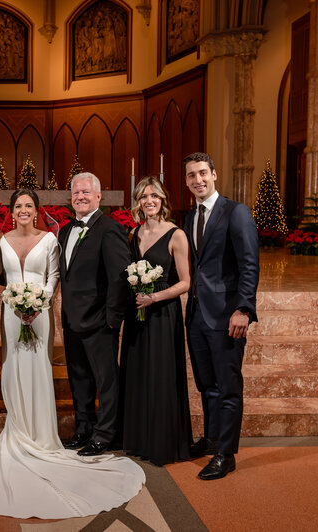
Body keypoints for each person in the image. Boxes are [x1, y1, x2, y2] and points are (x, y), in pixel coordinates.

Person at [0, 189, 145, 519]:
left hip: (40, 313)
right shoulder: (0, 241)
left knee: (39, 368)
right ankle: (18, 430)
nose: (23, 210)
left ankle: (43, 434)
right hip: (9, 313)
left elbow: (54, 277)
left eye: (28, 206)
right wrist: (13, 303)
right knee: (13, 369)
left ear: (36, 210)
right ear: (11, 211)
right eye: (18, 206)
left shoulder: (50, 239)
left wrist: (37, 303)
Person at [182, 152, 259, 480]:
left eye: (202, 173)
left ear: (214, 174)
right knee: (207, 383)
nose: (197, 180)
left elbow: (249, 263)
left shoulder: (235, 212)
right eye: (191, 175)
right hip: (197, 313)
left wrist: (243, 309)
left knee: (227, 386)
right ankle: (213, 438)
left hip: (228, 315)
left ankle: (226, 455)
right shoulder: (190, 216)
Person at [119, 177, 193, 466]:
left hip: (163, 316)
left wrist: (155, 298)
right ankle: (138, 439)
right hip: (137, 315)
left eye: (154, 196)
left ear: (163, 200)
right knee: (138, 374)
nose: (149, 201)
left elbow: (186, 282)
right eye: (143, 196)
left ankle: (161, 443)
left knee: (160, 376)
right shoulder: (132, 234)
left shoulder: (176, 235)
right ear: (138, 202)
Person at [58, 172, 131, 456]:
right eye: (76, 193)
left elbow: (120, 277)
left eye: (86, 192)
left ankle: (105, 434)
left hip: (100, 322)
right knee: (79, 379)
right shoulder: (65, 231)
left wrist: (113, 320)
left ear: (99, 196)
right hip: (72, 320)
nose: (81, 197)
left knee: (105, 381)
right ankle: (84, 429)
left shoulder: (109, 228)